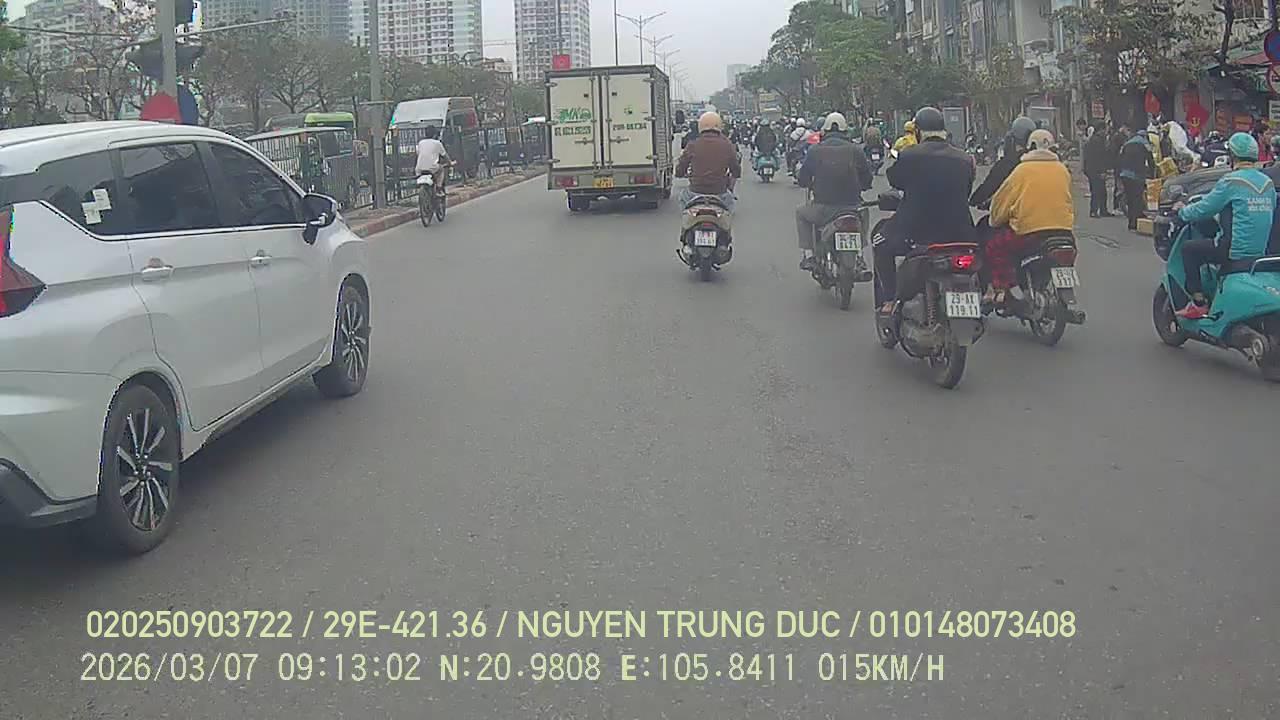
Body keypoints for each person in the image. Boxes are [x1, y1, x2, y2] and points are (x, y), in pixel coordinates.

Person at [874, 107, 977, 315]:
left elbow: (895, 180)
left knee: (880, 243)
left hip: (915, 231)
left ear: (918, 131)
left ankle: (889, 300)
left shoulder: (909, 155)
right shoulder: (965, 159)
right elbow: (966, 190)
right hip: (961, 233)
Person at [1173, 132, 1275, 319]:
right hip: (1259, 252)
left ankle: (1198, 303)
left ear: (1233, 156)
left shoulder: (1231, 181)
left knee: (1189, 250)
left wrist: (1182, 211)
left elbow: (1204, 209)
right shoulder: (1267, 184)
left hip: (1233, 251)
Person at [984, 129, 1076, 305]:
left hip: (1029, 234)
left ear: (1030, 146)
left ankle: (1007, 288)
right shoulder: (1062, 170)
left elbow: (1001, 203)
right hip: (1064, 234)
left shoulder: (1022, 170)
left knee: (995, 247)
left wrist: (995, 220)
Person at [795, 112, 874, 271]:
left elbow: (803, 178)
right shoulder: (856, 150)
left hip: (823, 209)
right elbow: (867, 178)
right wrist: (862, 186)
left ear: (824, 130)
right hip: (852, 208)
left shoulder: (815, 150)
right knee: (864, 213)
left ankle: (809, 256)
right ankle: (859, 256)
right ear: (845, 130)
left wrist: (808, 182)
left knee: (801, 213)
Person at [675, 111, 741, 212]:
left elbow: (681, 167)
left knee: (682, 199)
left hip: (695, 190)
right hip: (719, 191)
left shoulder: (693, 144)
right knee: (730, 207)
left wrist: (679, 173)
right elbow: (736, 169)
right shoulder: (727, 145)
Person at [970, 115, 1037, 209]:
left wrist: (973, 201)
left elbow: (988, 187)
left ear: (1012, 139)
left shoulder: (1006, 164)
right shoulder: (1047, 164)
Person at [1119, 125, 1156, 230]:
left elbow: (1120, 158)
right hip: (1136, 176)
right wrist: (1152, 174)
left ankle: (1131, 222)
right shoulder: (1144, 143)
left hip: (1124, 174)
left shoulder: (1127, 143)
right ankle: (1136, 222)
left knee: (1130, 199)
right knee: (1137, 198)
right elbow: (1150, 160)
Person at [1083, 121, 1113, 217]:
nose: (1107, 131)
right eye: (1105, 129)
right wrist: (1102, 171)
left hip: (1091, 169)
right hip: (1095, 170)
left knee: (1101, 191)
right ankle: (1094, 210)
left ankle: (1103, 210)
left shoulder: (1095, 139)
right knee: (1097, 191)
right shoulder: (1097, 141)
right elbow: (1099, 157)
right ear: (1101, 129)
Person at [414, 125, 452, 193]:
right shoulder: (437, 143)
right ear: (435, 134)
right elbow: (445, 156)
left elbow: (418, 154)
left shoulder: (420, 143)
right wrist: (450, 163)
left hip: (419, 168)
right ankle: (439, 188)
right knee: (441, 169)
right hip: (432, 167)